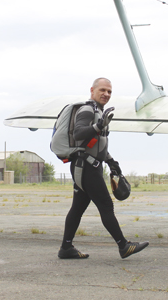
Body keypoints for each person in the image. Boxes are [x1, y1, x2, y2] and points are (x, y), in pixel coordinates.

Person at [58, 77, 149, 259]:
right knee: (106, 205)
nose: (106, 94)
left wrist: (111, 161)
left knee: (77, 208)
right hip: (86, 167)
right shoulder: (87, 110)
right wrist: (98, 125)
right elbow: (78, 134)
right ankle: (123, 246)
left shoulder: (98, 111)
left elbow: (96, 144)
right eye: (103, 90)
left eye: (109, 92)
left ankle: (66, 248)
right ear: (92, 90)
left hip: (87, 166)